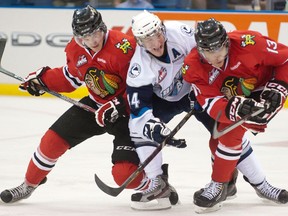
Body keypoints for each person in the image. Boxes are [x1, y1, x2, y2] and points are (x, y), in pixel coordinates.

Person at [0, 5, 179, 205]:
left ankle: (156, 185)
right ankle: (28, 184)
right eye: (85, 37)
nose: (93, 41)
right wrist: (44, 80)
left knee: (123, 174)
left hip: (130, 114)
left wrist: (120, 104)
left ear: (102, 27)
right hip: (96, 106)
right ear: (77, 36)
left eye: (95, 33)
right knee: (51, 141)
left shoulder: (125, 47)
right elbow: (71, 78)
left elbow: (145, 88)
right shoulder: (76, 49)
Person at [182, 18, 288, 213]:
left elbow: (285, 59)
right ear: (199, 49)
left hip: (263, 90)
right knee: (217, 141)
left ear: (226, 42)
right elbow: (212, 104)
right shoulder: (193, 66)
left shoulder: (251, 43)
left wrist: (280, 86)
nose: (216, 57)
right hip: (231, 100)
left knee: (229, 134)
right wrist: (236, 108)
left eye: (219, 50)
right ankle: (251, 186)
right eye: (208, 52)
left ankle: (220, 185)